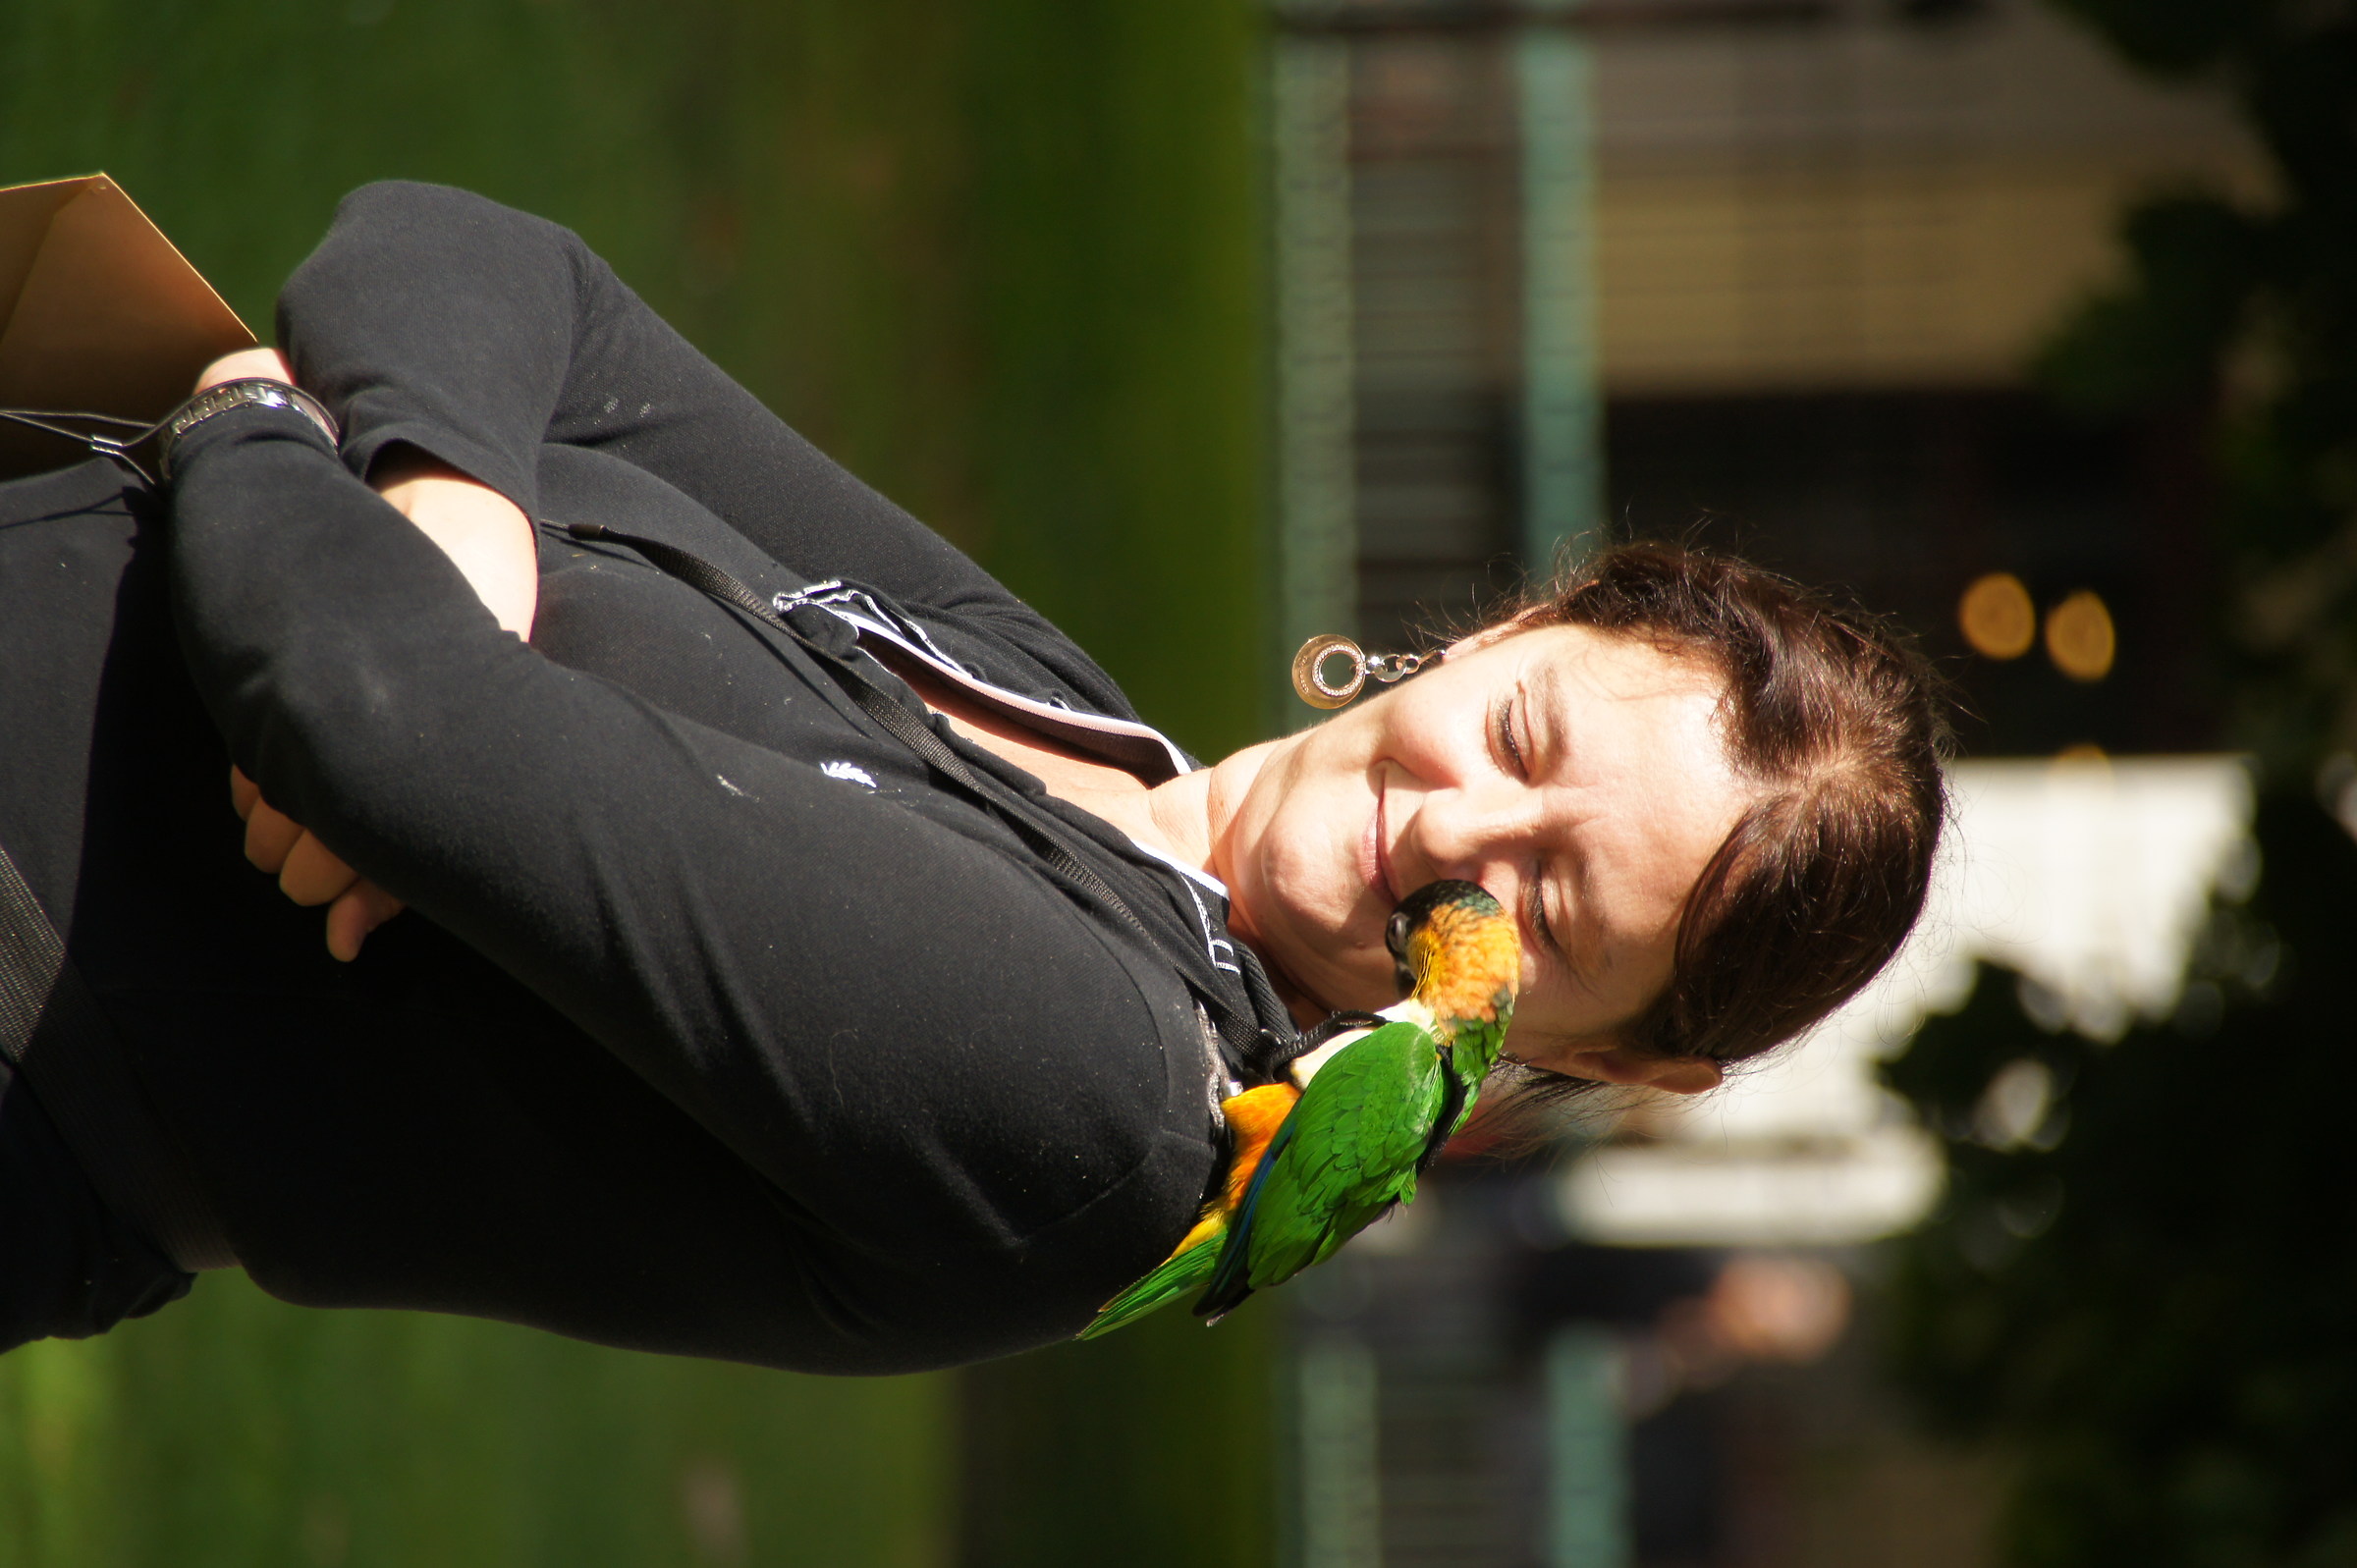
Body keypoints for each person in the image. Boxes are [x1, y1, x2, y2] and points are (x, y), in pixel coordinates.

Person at [0, 183, 1947, 1369]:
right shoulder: (1073, 725)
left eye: (1541, 906)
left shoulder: (1101, 1112)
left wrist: (254, 426)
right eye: (1520, 744)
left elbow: (370, 712)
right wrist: (453, 499)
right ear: (1515, 628)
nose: (1447, 829)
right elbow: (491, 269)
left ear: (1606, 1056)